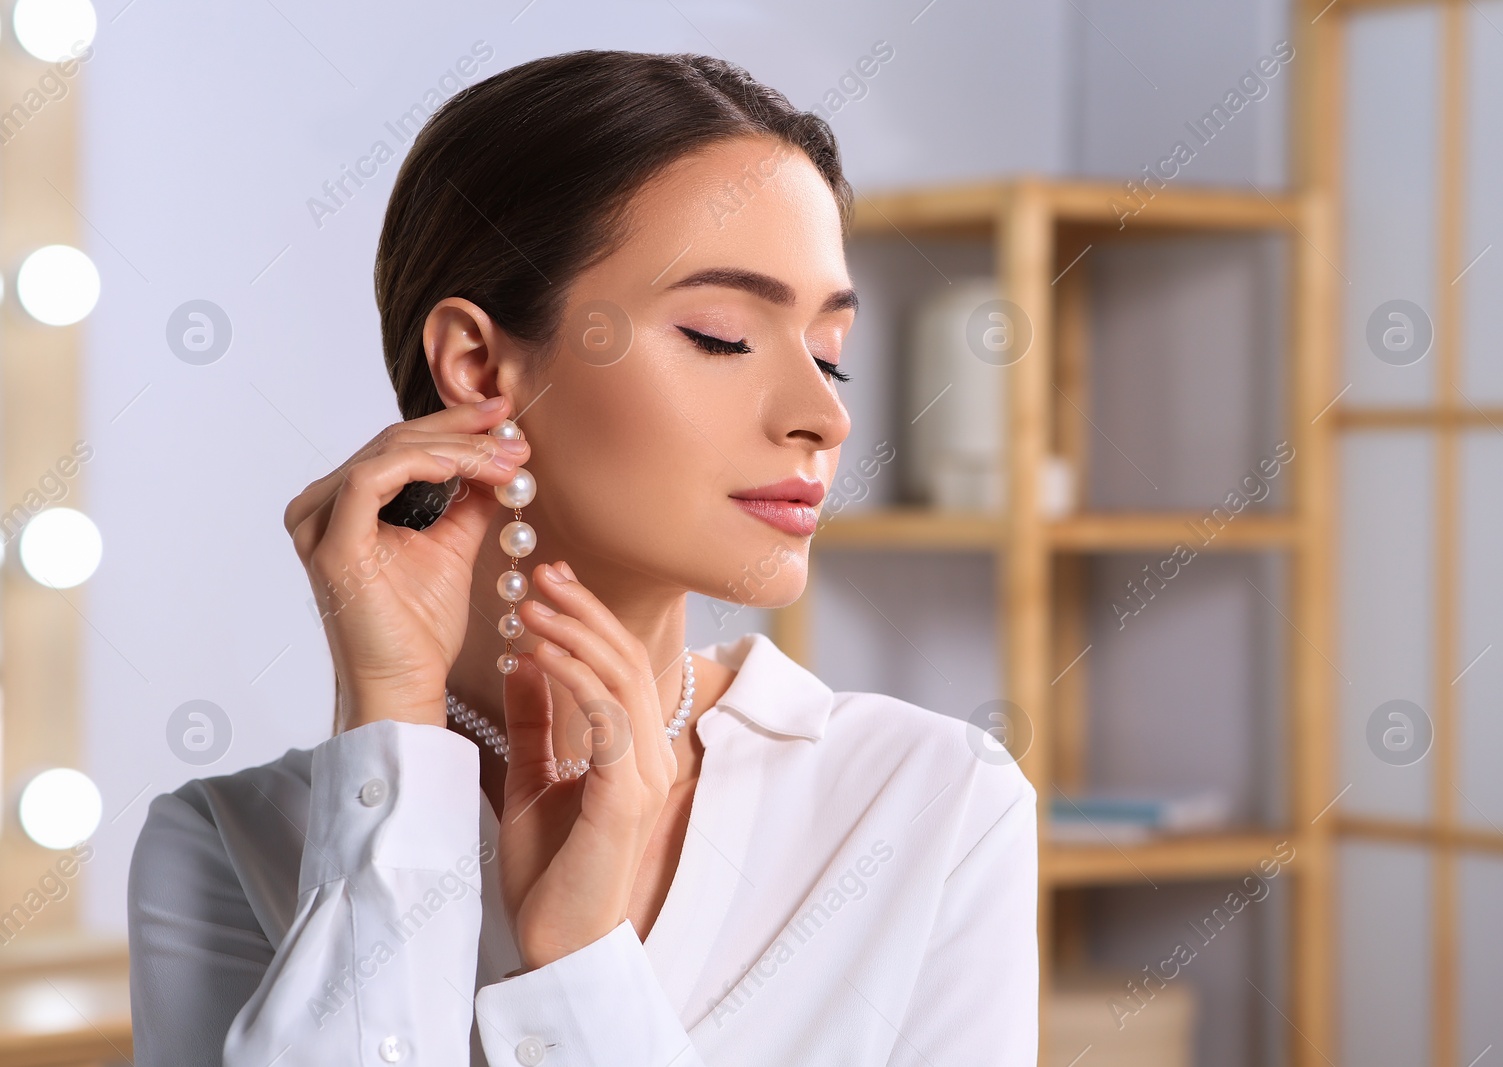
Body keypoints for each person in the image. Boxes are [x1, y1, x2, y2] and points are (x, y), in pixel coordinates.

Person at [127, 48, 1038, 1066]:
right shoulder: (229, 841)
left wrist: (577, 962)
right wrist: (390, 724)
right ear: (478, 365)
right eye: (721, 334)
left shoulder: (930, 800)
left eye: (830, 352)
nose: (823, 413)